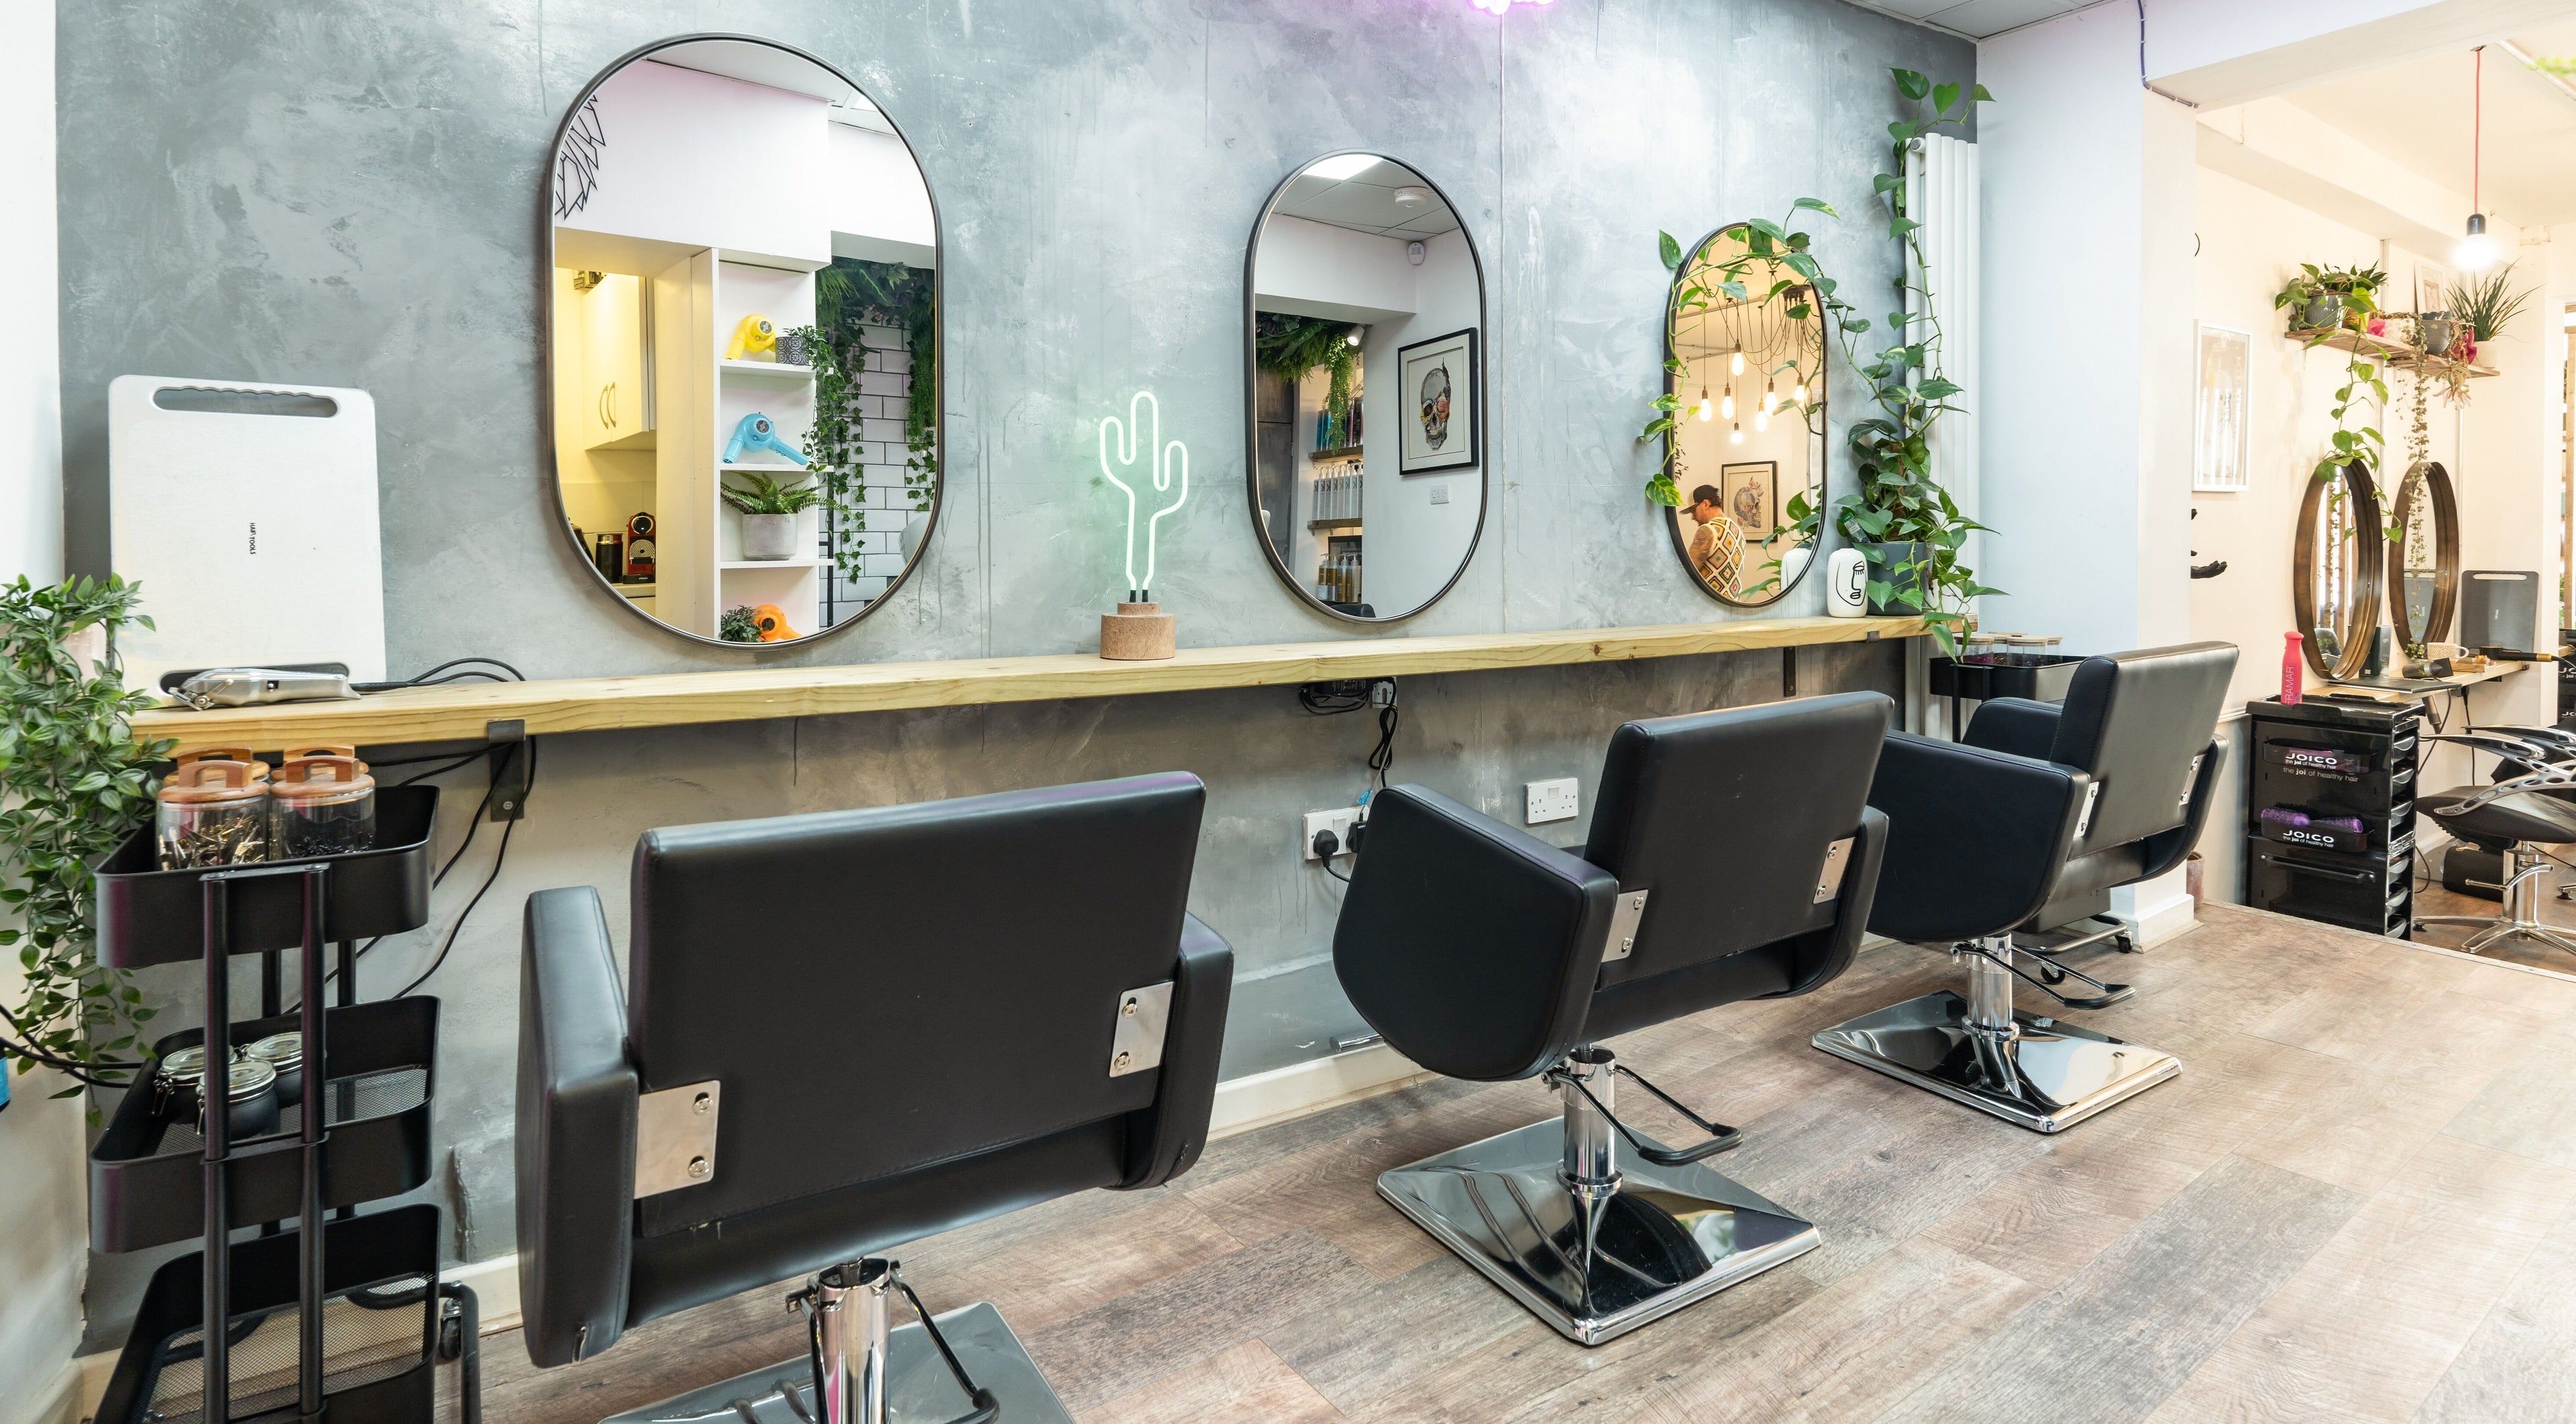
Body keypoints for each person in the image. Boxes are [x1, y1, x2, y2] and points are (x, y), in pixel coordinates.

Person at [1686, 484, 1740, 592]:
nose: (1693, 517)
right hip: (1732, 603)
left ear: (1706, 504)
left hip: (1709, 605)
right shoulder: (1736, 529)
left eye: (1693, 510)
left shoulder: (1707, 530)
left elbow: (1687, 573)